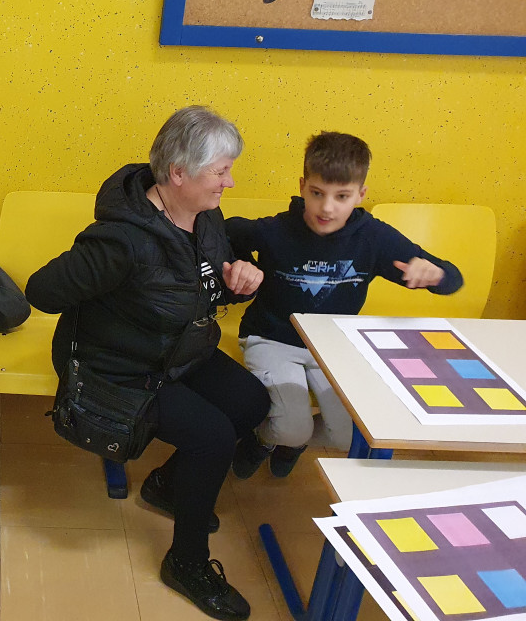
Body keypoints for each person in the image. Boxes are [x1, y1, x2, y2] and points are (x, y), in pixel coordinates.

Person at [25, 106, 271, 621]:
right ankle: (187, 563)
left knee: (251, 402)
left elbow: (206, 285)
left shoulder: (205, 217)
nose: (229, 182)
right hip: (119, 369)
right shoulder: (120, 242)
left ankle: (167, 487)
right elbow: (41, 290)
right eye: (221, 171)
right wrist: (106, 296)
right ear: (178, 174)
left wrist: (238, 280)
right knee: (213, 437)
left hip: (178, 350)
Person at [226, 132, 463, 479]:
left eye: (342, 196)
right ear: (302, 186)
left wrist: (436, 275)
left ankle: (294, 441)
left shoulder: (374, 237)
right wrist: (243, 264)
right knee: (292, 426)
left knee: (349, 435)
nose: (327, 208)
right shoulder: (278, 229)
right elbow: (227, 231)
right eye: (317, 193)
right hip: (272, 338)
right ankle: (265, 439)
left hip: (332, 347)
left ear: (361, 194)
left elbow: (453, 278)